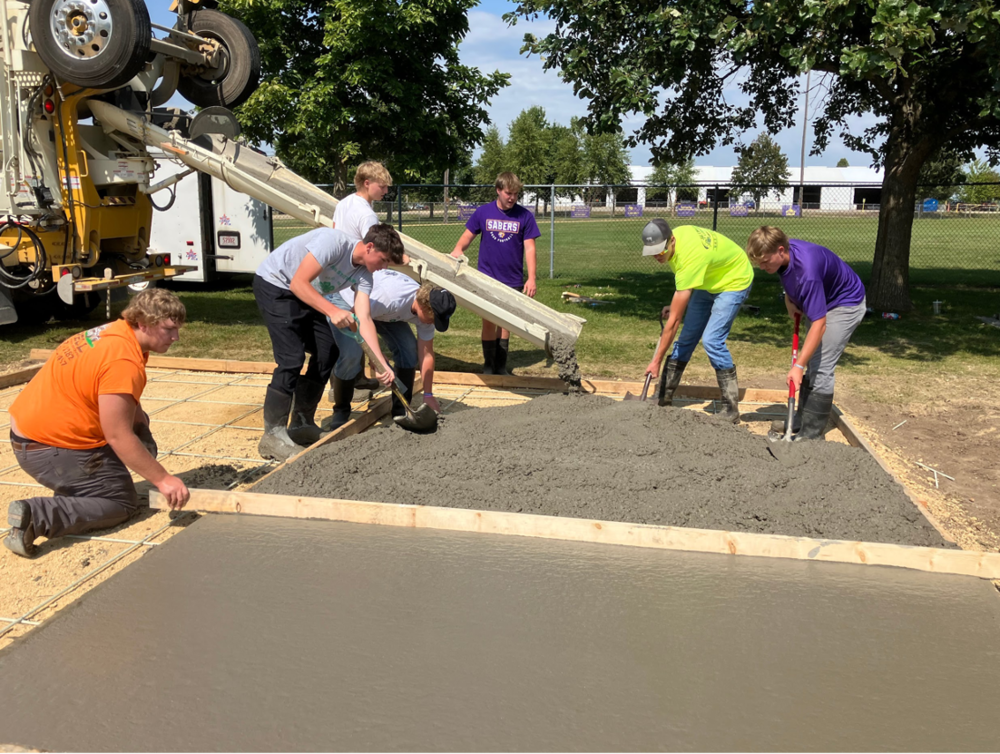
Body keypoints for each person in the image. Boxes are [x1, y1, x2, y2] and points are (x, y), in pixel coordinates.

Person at [3, 289, 190, 558]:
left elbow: (117, 399)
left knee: (134, 430)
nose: (176, 337)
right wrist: (163, 479)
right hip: (48, 447)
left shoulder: (113, 333)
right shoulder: (123, 361)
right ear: (142, 323)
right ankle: (36, 516)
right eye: (169, 329)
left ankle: (79, 489)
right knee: (119, 502)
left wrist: (141, 426)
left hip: (36, 432)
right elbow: (117, 435)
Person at [253, 223, 404, 461]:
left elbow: (363, 318)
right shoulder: (332, 243)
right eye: (383, 260)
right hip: (276, 285)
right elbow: (298, 283)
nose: (384, 267)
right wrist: (332, 310)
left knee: (328, 350)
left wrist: (380, 363)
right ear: (370, 246)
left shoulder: (365, 274)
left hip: (305, 294)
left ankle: (301, 422)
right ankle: (272, 436)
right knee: (291, 357)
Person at [746, 226, 866, 440]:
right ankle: (800, 420)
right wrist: (789, 301)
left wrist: (798, 366)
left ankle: (811, 435)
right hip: (823, 300)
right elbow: (789, 278)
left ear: (781, 250)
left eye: (765, 261)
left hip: (844, 304)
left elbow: (819, 324)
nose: (762, 267)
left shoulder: (807, 272)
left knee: (821, 367)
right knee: (813, 362)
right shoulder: (783, 260)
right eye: (759, 263)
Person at [640, 219, 754, 422]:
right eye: (653, 252)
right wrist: (675, 304)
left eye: (660, 250)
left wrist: (655, 361)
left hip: (734, 279)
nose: (657, 255)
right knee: (686, 339)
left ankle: (731, 410)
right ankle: (663, 399)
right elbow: (686, 285)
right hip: (708, 280)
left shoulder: (689, 257)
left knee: (712, 340)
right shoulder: (677, 244)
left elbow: (674, 322)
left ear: (671, 240)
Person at [325, 269, 457, 427]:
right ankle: (341, 411)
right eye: (433, 319)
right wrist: (375, 357)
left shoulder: (426, 315)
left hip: (383, 312)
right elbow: (358, 320)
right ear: (423, 306)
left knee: (408, 350)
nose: (433, 323)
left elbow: (427, 354)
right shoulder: (390, 297)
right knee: (351, 355)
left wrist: (428, 394)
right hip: (347, 301)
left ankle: (401, 410)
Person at [450, 172, 539, 375]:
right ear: (498, 190)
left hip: (512, 279)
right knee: (489, 320)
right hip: (487, 277)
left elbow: (530, 248)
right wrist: (457, 251)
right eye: (508, 193)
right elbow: (467, 235)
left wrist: (531, 278)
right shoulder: (483, 212)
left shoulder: (524, 216)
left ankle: (501, 366)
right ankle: (489, 365)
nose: (512, 198)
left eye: (515, 194)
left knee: (506, 322)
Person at [330, 161, 394, 396]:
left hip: (338, 271)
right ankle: (347, 382)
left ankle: (352, 378)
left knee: (349, 328)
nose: (385, 191)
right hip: (357, 273)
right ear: (367, 183)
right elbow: (376, 248)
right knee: (360, 324)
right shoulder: (367, 214)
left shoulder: (344, 203)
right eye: (382, 186)